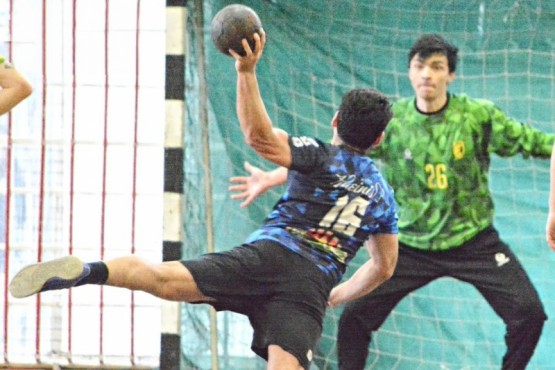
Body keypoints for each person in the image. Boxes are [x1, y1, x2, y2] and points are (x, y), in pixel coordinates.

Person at [9, 31, 399, 370]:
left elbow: (260, 138)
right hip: (308, 286)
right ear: (379, 139)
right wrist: (336, 296)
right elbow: (383, 267)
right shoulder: (382, 196)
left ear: (335, 120)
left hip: (266, 257)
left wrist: (245, 73)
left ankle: (89, 271)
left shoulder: (317, 154)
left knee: (160, 278)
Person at [229, 34, 555, 370]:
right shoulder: (393, 121)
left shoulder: (478, 116)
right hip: (411, 243)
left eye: (437, 67)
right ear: (410, 73)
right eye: (420, 66)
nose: (427, 74)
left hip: (473, 240)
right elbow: (335, 161)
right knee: (354, 317)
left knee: (530, 314)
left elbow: (545, 144)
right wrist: (271, 176)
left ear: (450, 75)